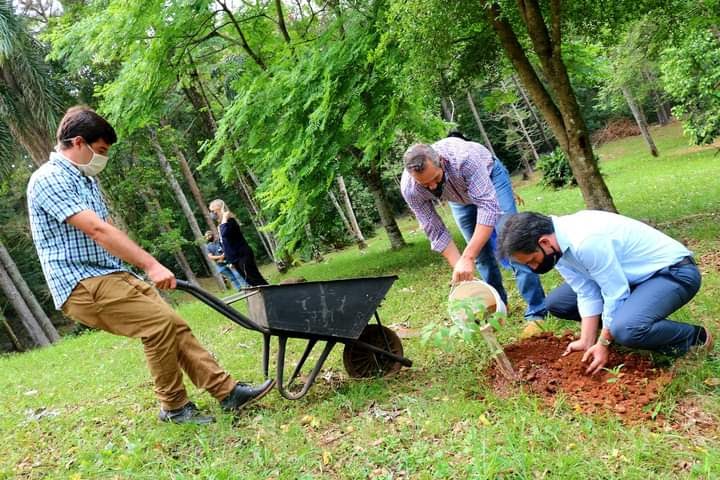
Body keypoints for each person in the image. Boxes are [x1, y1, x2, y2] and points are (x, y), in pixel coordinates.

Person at [27, 106, 274, 424]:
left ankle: (227, 393)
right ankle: (173, 408)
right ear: (77, 142)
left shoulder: (85, 180)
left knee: (174, 322)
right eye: (100, 150)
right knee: (157, 325)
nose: (103, 158)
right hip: (81, 283)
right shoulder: (48, 179)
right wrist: (152, 265)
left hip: (110, 274)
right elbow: (97, 230)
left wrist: (138, 268)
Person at [498, 210, 713, 375]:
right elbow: (586, 291)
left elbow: (615, 293)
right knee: (558, 302)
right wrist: (586, 340)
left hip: (672, 273)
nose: (535, 268)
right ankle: (624, 329)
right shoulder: (556, 247)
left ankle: (694, 339)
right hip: (631, 279)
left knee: (626, 328)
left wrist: (603, 342)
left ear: (544, 242)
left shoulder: (585, 240)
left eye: (533, 260)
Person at [400, 137, 546, 329]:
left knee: (512, 241)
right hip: (458, 198)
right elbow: (435, 230)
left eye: (435, 178)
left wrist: (467, 256)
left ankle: (536, 312)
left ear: (441, 162)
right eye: (425, 185)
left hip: (491, 178)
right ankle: (497, 307)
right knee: (481, 257)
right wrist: (460, 267)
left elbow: (487, 208)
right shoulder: (410, 189)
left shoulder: (465, 158)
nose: (433, 187)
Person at [208, 199, 268, 287]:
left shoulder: (230, 221)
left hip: (242, 256)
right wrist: (229, 260)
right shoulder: (221, 225)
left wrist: (224, 217)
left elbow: (224, 234)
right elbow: (225, 244)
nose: (212, 214)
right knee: (250, 282)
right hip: (234, 259)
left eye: (213, 211)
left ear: (219, 209)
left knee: (255, 279)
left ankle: (273, 294)